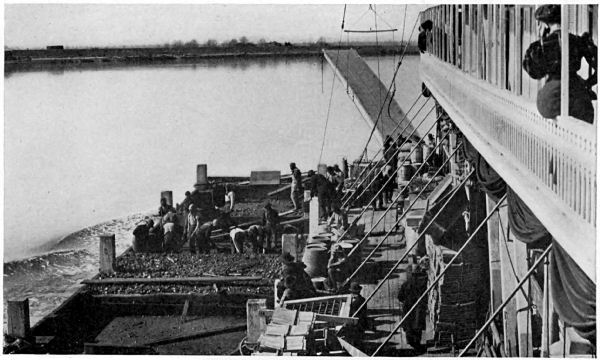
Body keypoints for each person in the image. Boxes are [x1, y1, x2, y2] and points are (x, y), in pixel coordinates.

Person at [523, 4, 597, 124]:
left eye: (539, 24)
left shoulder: (540, 46)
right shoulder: (578, 41)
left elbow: (534, 72)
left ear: (545, 24)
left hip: (552, 99)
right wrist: (587, 83)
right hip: (578, 97)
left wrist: (543, 41)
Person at [397, 258, 429, 353]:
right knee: (417, 325)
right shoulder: (423, 284)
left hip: (408, 307)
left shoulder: (406, 284)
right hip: (418, 308)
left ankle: (410, 342)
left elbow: (400, 297)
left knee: (409, 326)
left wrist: (405, 301)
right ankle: (417, 342)